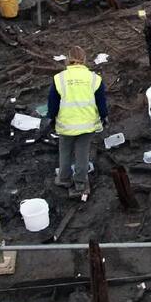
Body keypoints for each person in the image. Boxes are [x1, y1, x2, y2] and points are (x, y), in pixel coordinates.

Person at [45, 45, 107, 195]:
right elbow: (101, 102)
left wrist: (51, 119)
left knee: (65, 151)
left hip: (66, 125)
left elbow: (53, 103)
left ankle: (64, 178)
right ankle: (80, 183)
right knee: (82, 153)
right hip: (87, 125)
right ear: (84, 60)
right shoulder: (94, 79)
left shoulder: (59, 78)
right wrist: (104, 117)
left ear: (68, 59)